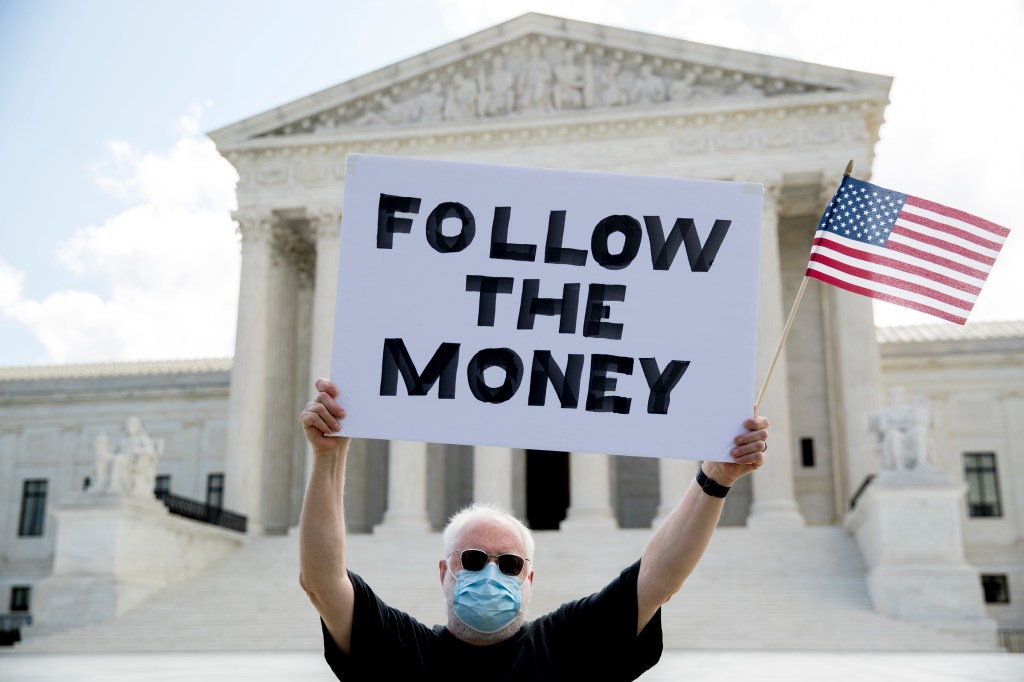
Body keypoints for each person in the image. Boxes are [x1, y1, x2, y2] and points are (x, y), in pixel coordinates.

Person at [299, 378, 768, 680]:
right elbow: (321, 581)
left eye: (509, 563)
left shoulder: (567, 646)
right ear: (444, 571)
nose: (491, 574)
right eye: (475, 559)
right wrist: (328, 458)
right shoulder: (402, 652)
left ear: (529, 577)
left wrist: (715, 479)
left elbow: (660, 579)